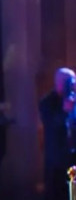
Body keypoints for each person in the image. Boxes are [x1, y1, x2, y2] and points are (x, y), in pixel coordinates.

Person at [40, 67, 76, 200]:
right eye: (69, 82)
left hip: (72, 158)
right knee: (56, 193)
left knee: (73, 192)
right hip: (56, 160)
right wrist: (64, 111)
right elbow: (51, 123)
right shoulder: (47, 102)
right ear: (59, 83)